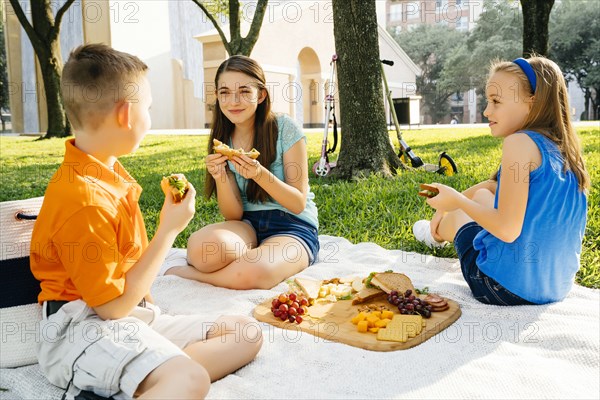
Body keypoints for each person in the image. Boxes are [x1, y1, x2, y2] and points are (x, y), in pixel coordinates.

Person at [30, 44, 262, 399]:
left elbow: (127, 278)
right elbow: (111, 307)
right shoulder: (83, 199)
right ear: (126, 114)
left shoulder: (111, 175)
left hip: (126, 318)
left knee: (246, 332)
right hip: (81, 329)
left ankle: (149, 377)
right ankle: (163, 378)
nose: (150, 118)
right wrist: (168, 230)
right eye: (149, 109)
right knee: (190, 381)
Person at [412, 56, 589, 306]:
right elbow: (495, 187)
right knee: (484, 195)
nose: (487, 111)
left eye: (496, 101)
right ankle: (439, 224)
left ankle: (435, 234)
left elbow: (507, 229)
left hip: (499, 287)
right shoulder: (565, 153)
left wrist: (457, 200)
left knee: (470, 208)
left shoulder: (518, 142)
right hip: (556, 288)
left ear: (532, 102)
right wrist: (448, 203)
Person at [163, 55, 319, 290]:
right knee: (201, 250)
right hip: (247, 225)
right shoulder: (223, 139)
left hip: (292, 225)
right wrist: (221, 177)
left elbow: (297, 203)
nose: (233, 101)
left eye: (245, 91)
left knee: (256, 271)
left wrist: (259, 174)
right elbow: (233, 215)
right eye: (224, 92)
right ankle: (242, 264)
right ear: (217, 96)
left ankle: (196, 275)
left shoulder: (285, 128)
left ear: (262, 94)